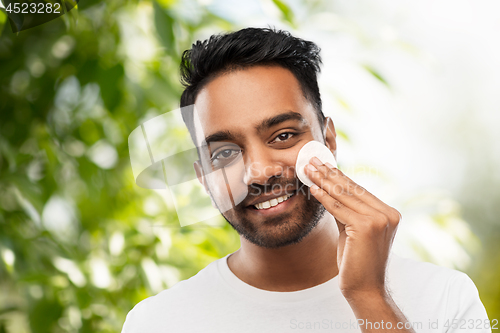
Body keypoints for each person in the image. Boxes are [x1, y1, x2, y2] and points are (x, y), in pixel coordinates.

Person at [122, 27, 490, 332]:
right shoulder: (156, 322)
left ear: (328, 140)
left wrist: (369, 296)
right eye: (225, 153)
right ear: (204, 177)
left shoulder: (445, 298)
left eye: (283, 136)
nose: (259, 172)